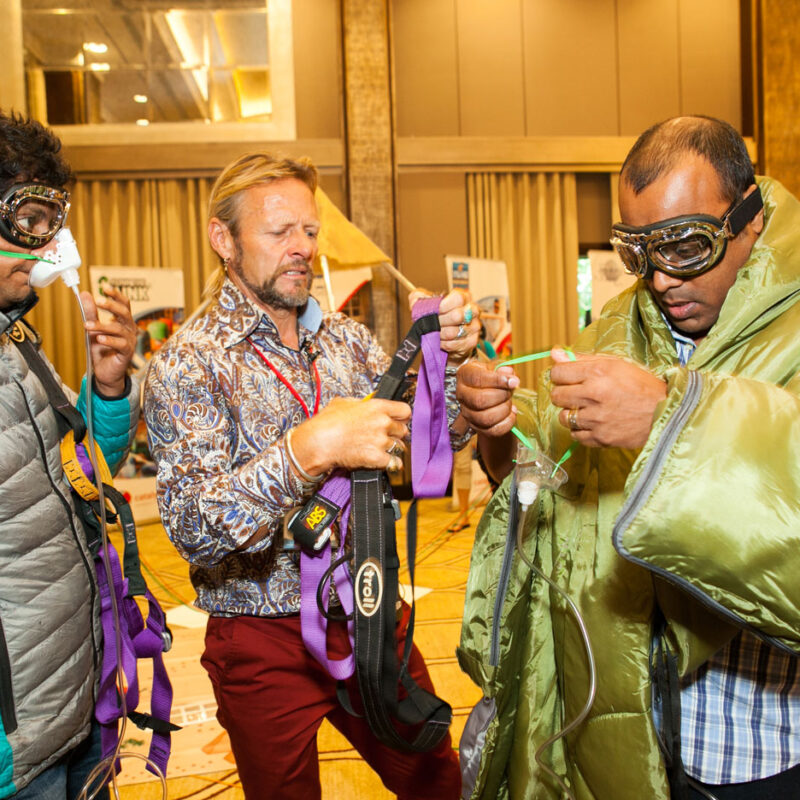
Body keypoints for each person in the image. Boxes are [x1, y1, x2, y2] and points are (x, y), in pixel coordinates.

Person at [455, 115, 800, 800]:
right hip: (647, 741)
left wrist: (668, 422)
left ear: (751, 216)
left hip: (769, 747)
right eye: (640, 254)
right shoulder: (618, 330)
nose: (663, 279)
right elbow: (545, 485)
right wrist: (497, 425)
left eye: (688, 245)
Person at [143, 152, 479, 799]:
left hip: (370, 609)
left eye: (310, 230)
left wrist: (462, 390)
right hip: (260, 638)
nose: (302, 246)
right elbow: (194, 530)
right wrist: (308, 449)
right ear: (224, 240)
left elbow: (426, 446)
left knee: (438, 782)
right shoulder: (189, 362)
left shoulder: (347, 341)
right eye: (279, 231)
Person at [0, 112, 138, 798]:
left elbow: (82, 479)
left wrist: (107, 390)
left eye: (52, 221)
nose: (49, 244)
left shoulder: (16, 344)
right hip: (17, 741)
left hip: (74, 701)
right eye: (30, 219)